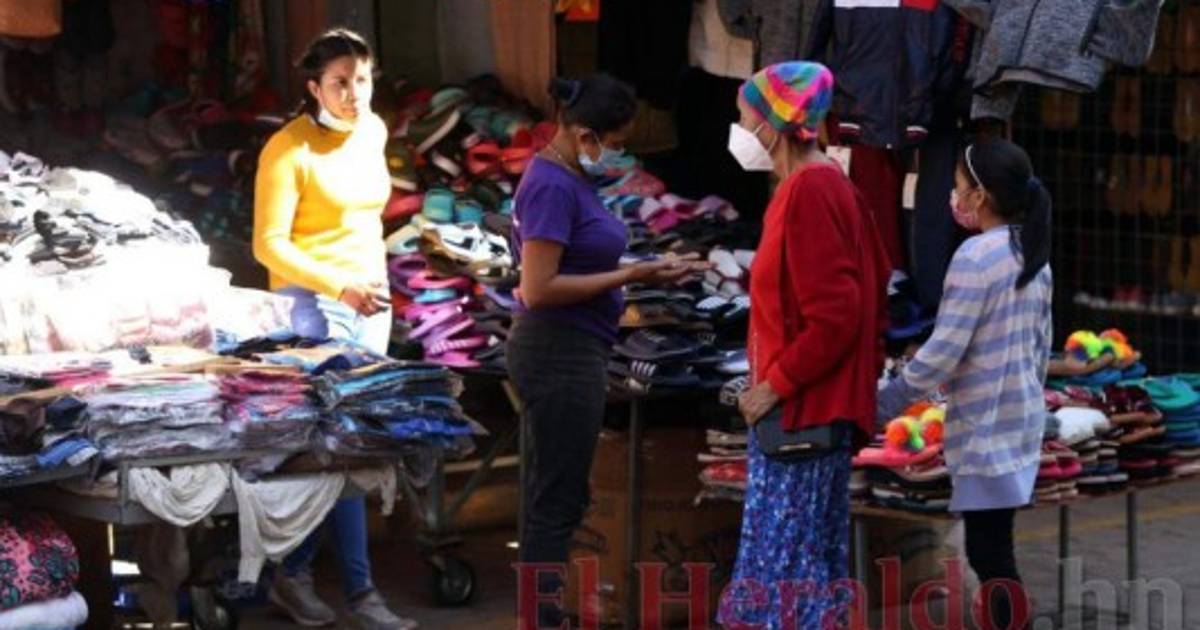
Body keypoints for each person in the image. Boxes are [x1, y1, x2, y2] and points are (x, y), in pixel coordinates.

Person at [506, 73, 706, 628]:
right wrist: (632, 274)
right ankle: (541, 618)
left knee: (561, 492)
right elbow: (539, 288)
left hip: (576, 347)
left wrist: (646, 272)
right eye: (614, 143)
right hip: (558, 351)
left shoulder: (568, 177)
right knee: (558, 497)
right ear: (583, 135)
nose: (617, 154)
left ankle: (543, 614)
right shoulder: (551, 186)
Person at [252, 28, 415, 630]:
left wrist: (369, 286)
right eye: (340, 83)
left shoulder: (373, 131)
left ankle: (296, 575)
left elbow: (366, 224)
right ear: (314, 87)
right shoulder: (287, 149)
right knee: (336, 446)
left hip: (370, 300)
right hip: (311, 304)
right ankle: (356, 591)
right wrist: (337, 285)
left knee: (353, 444)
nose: (353, 93)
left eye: (362, 80)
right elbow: (268, 245)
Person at [718, 61, 890, 628]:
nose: (742, 130)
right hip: (811, 415)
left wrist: (773, 386)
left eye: (746, 118)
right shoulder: (823, 183)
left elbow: (836, 316)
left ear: (774, 125)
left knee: (786, 581)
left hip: (802, 416)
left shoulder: (810, 191)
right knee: (802, 576)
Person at [876, 138, 1052, 630]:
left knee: (990, 555)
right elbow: (1041, 347)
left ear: (980, 195)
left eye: (957, 186)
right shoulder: (1031, 254)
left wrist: (888, 400)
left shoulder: (976, 257)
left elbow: (944, 350)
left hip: (985, 426)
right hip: (1019, 421)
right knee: (995, 547)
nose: (952, 197)